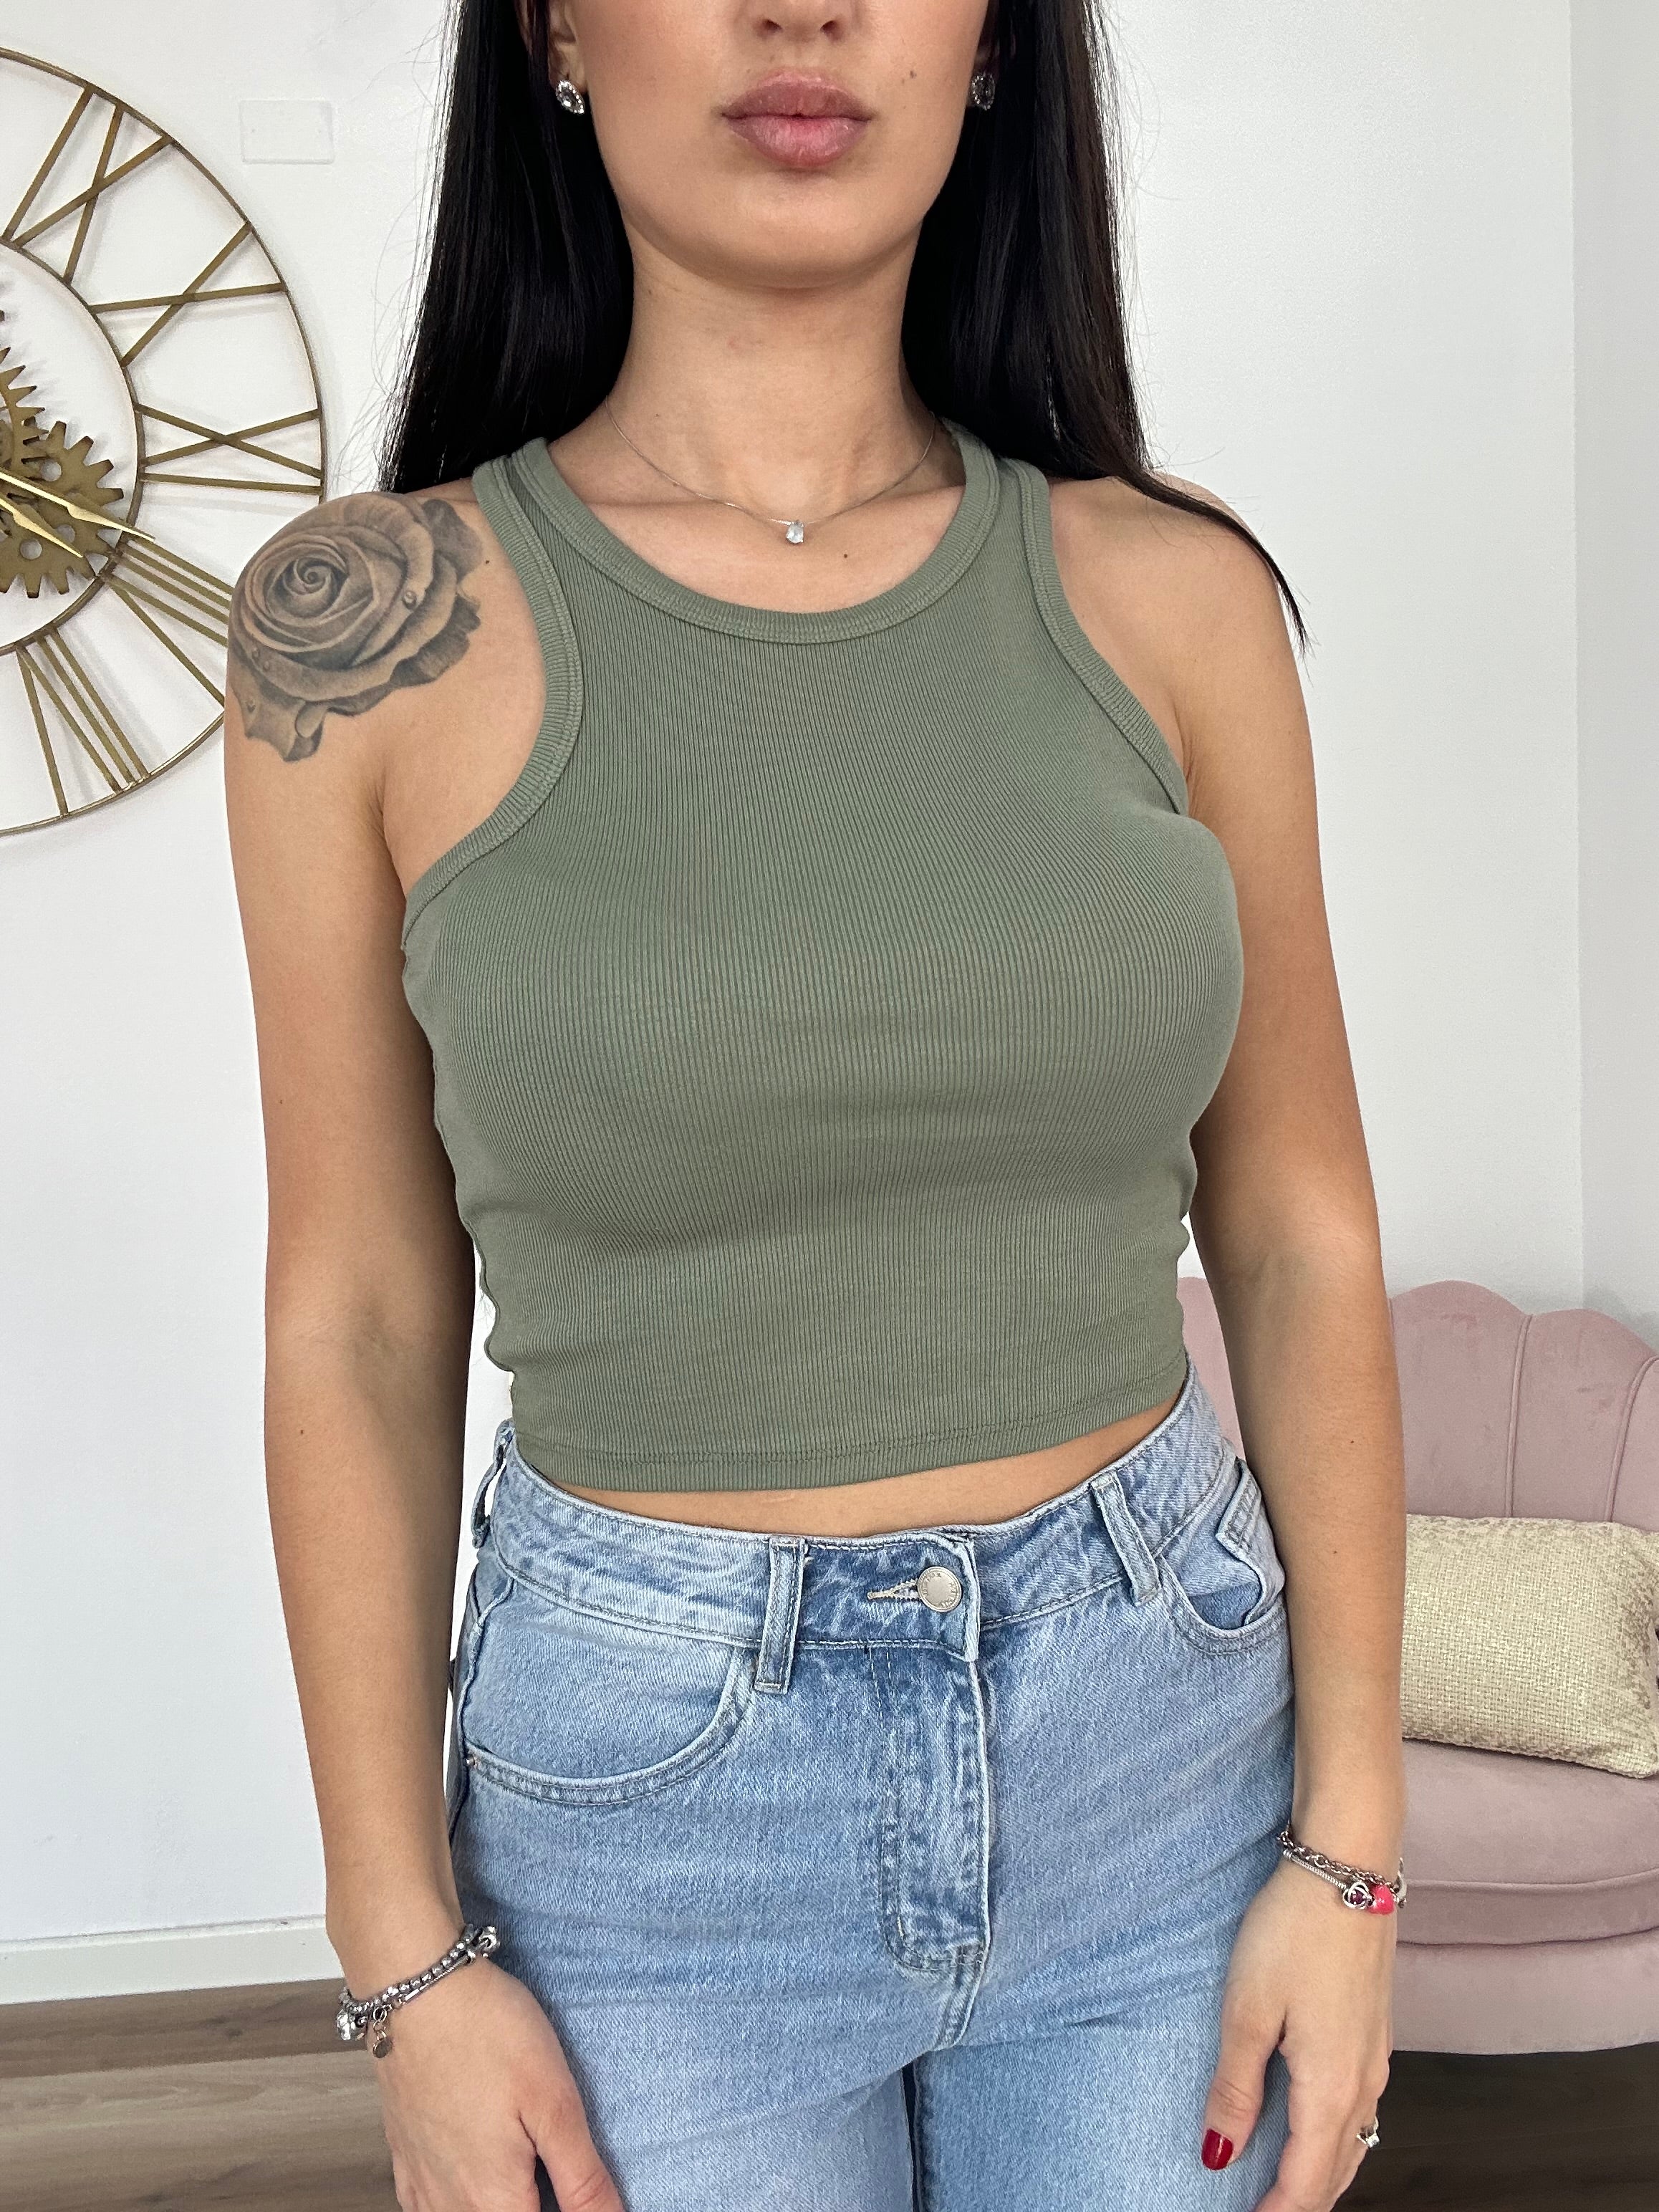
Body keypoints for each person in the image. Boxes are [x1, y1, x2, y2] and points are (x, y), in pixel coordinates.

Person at [223, 3, 1407, 2207]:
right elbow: (359, 1315)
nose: (806, 12)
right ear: (555, 32)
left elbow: (1295, 1231)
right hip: (650, 1813)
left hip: (1161, 1747)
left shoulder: (1176, 599)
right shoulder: (362, 630)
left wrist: (1350, 1852)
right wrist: (400, 1956)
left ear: (992, 49)